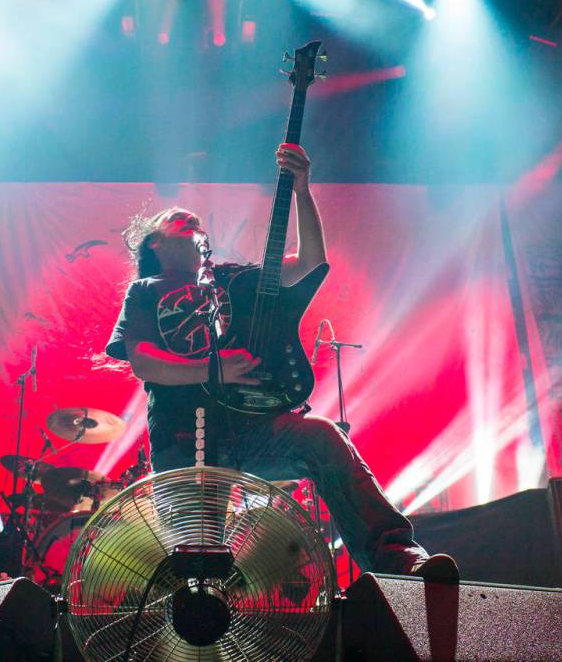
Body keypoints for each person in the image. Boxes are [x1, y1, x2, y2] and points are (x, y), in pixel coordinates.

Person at [106, 142, 458, 583]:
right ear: (153, 241)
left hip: (251, 428)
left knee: (324, 439)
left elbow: (310, 261)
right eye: (174, 217)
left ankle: (397, 559)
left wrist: (303, 189)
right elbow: (142, 361)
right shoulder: (145, 290)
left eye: (193, 218)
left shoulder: (232, 277)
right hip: (185, 439)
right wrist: (214, 370)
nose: (188, 216)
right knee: (199, 574)